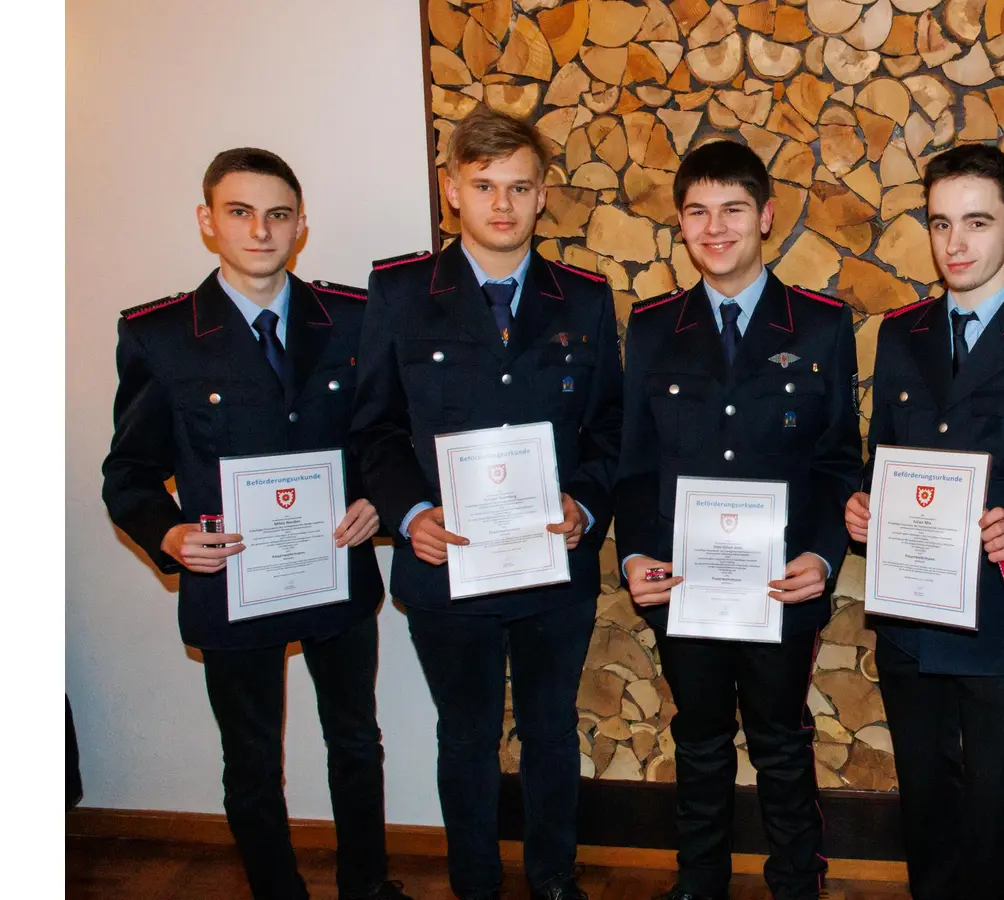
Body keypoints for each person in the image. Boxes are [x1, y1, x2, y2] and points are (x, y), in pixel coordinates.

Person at [102, 148, 409, 900]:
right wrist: (170, 536)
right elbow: (129, 476)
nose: (261, 230)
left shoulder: (351, 320)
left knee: (357, 743)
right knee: (250, 756)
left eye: (278, 214)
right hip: (232, 577)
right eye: (240, 212)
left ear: (301, 226)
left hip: (335, 567)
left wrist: (376, 493)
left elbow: (384, 432)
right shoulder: (162, 335)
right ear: (208, 223)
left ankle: (366, 887)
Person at [349, 105, 623, 900]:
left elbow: (610, 426)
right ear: (452, 192)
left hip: (551, 565)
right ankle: (475, 884)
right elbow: (374, 429)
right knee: (464, 737)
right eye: (484, 185)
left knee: (548, 732)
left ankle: (554, 880)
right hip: (447, 569)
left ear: (543, 198)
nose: (502, 204)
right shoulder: (399, 292)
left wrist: (586, 506)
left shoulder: (582, 297)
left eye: (520, 187)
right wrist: (407, 518)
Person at [843, 143, 1004, 899]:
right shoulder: (903, 333)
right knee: (925, 805)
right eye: (940, 223)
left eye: (977, 222)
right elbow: (883, 459)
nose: (955, 244)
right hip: (910, 617)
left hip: (1003, 617)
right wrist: (865, 504)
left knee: (993, 812)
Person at [613, 139, 862, 900]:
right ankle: (699, 884)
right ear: (680, 225)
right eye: (696, 212)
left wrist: (822, 556)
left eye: (731, 210)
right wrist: (634, 559)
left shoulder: (819, 325)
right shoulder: (654, 327)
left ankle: (796, 884)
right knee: (699, 739)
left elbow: (836, 461)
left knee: (782, 743)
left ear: (767, 216)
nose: (714, 228)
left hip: (782, 586)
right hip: (685, 585)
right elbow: (633, 464)